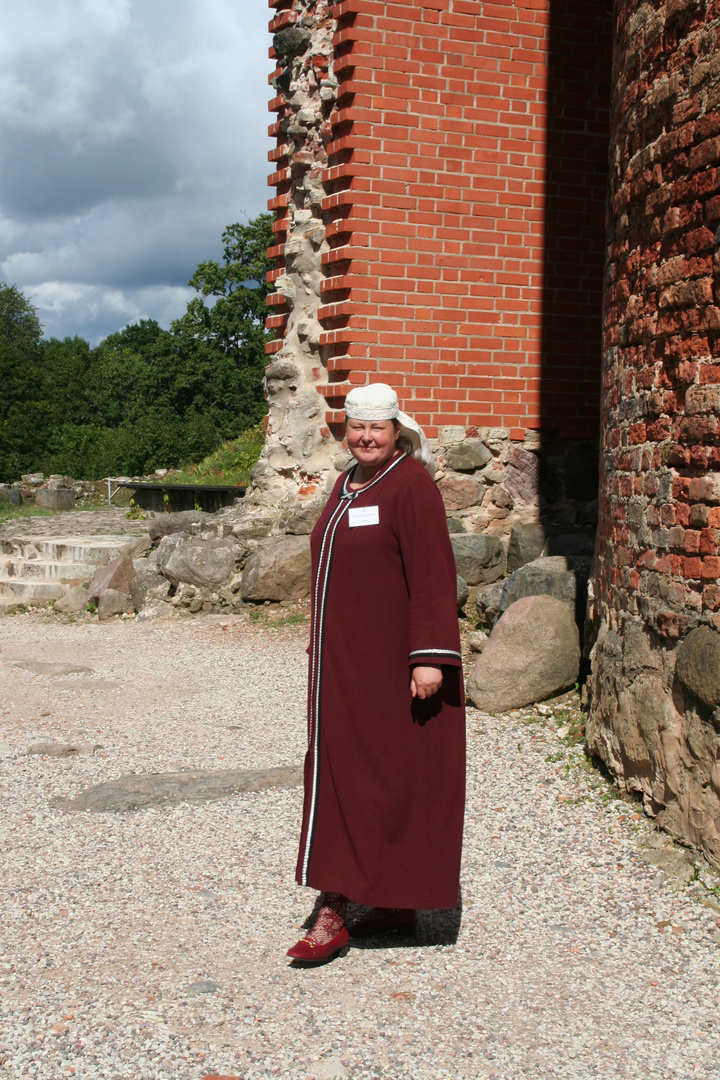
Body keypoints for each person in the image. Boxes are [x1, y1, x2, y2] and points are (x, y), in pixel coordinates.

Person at [287, 383, 466, 962]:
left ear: (396, 432)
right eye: (356, 428)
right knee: (347, 775)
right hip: (346, 672)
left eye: (377, 429)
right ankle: (385, 898)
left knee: (391, 779)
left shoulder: (410, 486)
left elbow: (434, 575)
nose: (365, 438)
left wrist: (430, 657)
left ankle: (336, 908)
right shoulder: (346, 484)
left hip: (395, 668)